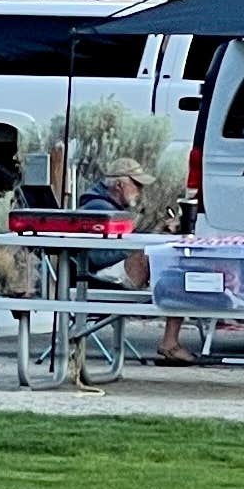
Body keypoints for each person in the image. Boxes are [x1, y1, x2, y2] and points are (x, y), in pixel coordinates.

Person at [77, 156, 196, 366]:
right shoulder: (99, 209)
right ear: (119, 185)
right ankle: (170, 342)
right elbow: (95, 257)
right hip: (97, 276)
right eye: (137, 184)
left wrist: (154, 234)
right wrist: (138, 247)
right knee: (175, 265)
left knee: (170, 263)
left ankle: (170, 340)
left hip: (103, 271)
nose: (140, 191)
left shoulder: (104, 206)